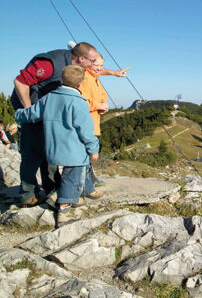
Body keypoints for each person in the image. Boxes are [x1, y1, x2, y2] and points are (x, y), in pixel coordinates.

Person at [11, 42, 129, 207]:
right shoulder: (50, 64)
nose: (95, 65)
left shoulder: (76, 66)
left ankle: (52, 188)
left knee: (49, 149)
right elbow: (20, 82)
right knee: (33, 152)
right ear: (81, 59)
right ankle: (28, 194)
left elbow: (96, 71)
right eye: (93, 61)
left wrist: (115, 73)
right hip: (33, 107)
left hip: (48, 108)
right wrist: (29, 111)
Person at [15, 65, 99, 225]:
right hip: (74, 152)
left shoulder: (49, 98)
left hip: (52, 150)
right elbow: (87, 131)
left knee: (65, 177)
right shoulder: (79, 102)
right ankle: (64, 212)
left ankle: (56, 195)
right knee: (73, 177)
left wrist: (18, 114)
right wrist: (93, 149)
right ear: (80, 83)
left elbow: (32, 114)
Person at [78, 52, 109, 186]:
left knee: (87, 153)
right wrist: (98, 105)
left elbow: (102, 96)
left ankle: (89, 178)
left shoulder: (95, 78)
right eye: (96, 65)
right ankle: (85, 183)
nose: (99, 68)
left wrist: (103, 106)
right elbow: (80, 101)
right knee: (84, 153)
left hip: (93, 120)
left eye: (101, 65)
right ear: (89, 63)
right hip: (86, 121)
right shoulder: (84, 78)